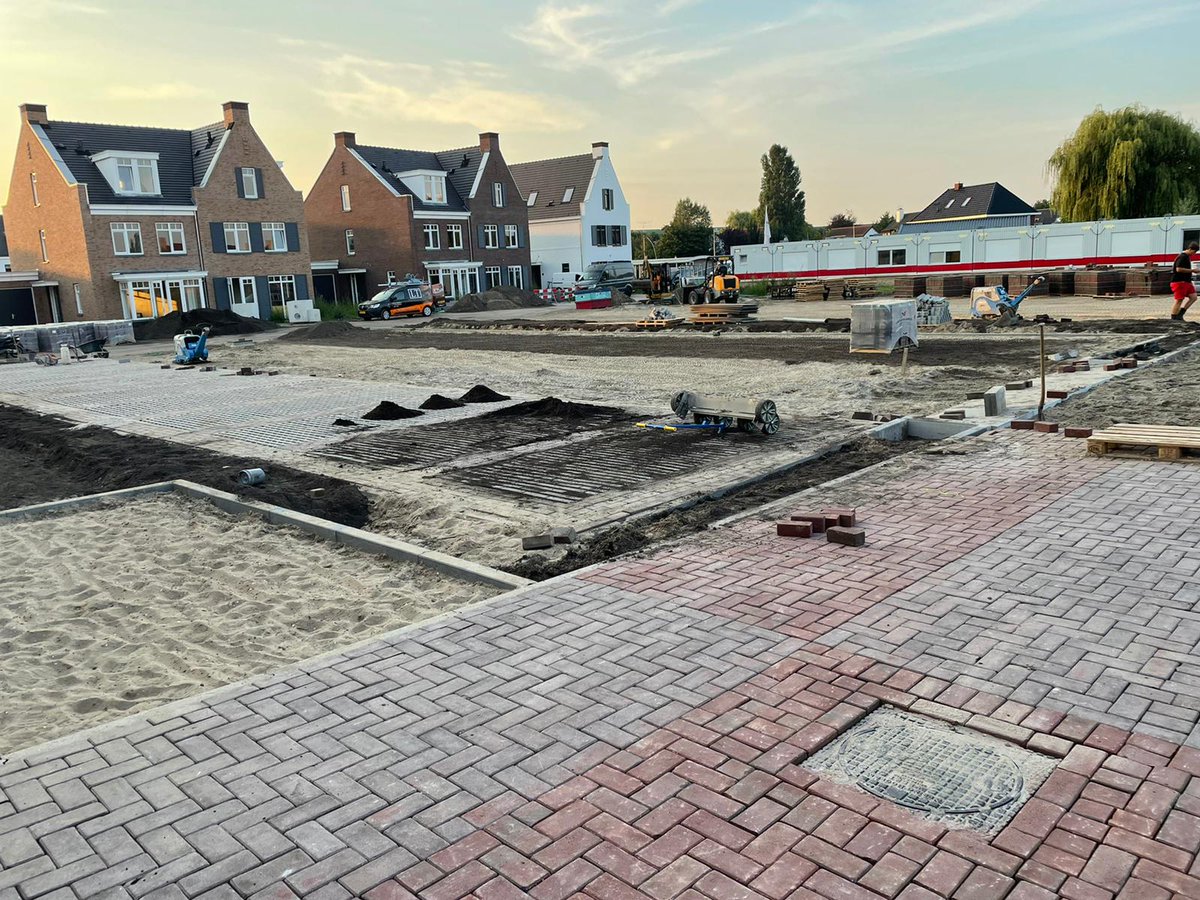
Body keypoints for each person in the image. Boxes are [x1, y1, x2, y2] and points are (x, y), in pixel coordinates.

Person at [1170, 241, 1198, 320]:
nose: (1194, 254)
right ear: (1189, 249)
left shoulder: (1187, 257)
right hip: (1179, 281)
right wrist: (1192, 270)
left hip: (1187, 282)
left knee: (1193, 297)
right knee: (1179, 300)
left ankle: (1181, 313)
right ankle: (1174, 317)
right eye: (1194, 251)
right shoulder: (1182, 256)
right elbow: (1178, 269)